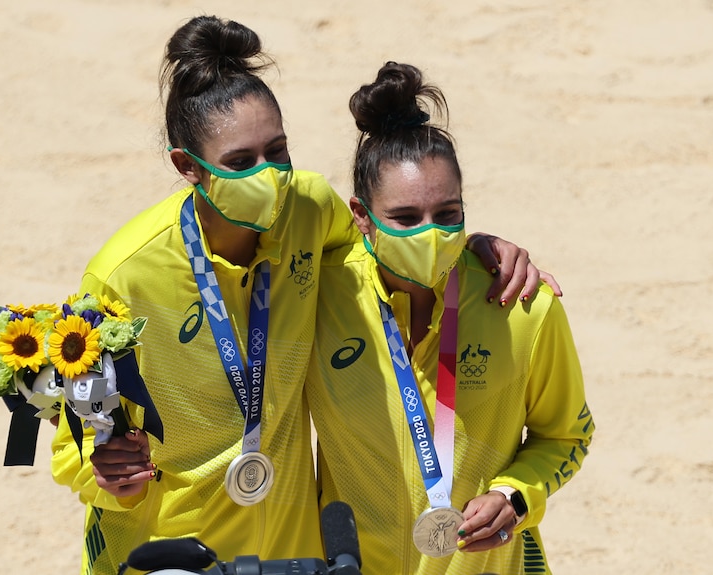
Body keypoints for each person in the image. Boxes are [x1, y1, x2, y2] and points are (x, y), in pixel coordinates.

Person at [49, 17, 556, 575]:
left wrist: (471, 246)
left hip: (292, 552)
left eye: (278, 150)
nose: (269, 175)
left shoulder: (310, 210)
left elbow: (393, 235)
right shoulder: (124, 274)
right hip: (169, 553)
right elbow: (74, 432)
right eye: (242, 162)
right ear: (187, 167)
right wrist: (103, 468)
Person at [306, 62, 594, 574]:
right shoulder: (320, 295)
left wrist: (516, 495)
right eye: (406, 218)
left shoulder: (523, 304)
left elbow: (567, 437)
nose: (431, 233)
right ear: (361, 216)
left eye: (448, 215)